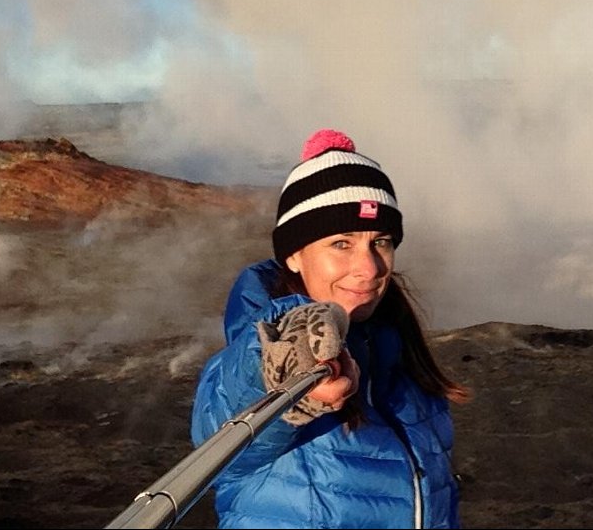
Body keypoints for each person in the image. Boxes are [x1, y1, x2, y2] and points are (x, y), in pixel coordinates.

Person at [191, 128, 470, 529]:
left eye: (382, 241)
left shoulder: (401, 358)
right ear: (294, 256)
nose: (370, 268)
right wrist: (286, 365)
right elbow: (218, 429)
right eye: (342, 243)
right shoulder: (268, 340)